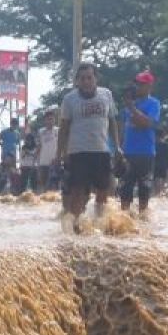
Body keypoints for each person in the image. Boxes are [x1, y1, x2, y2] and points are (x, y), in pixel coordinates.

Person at [56, 62, 120, 232]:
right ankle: (76, 225)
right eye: (82, 78)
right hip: (78, 152)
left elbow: (113, 121)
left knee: (103, 190)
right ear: (77, 81)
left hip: (101, 150)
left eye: (89, 78)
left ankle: (100, 224)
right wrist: (60, 153)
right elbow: (64, 128)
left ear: (95, 79)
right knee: (77, 191)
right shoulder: (69, 99)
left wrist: (118, 147)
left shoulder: (106, 95)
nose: (86, 81)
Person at [118, 70, 161, 216]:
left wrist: (132, 109)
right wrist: (118, 149)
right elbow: (123, 128)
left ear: (150, 86)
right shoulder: (129, 105)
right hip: (128, 152)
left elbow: (148, 123)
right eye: (137, 84)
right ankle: (124, 218)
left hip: (145, 152)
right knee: (125, 188)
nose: (139, 87)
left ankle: (143, 218)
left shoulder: (154, 103)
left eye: (142, 84)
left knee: (144, 187)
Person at [36, 109, 59, 192]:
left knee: (55, 186)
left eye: (52, 119)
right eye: (48, 119)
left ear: (54, 120)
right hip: (43, 162)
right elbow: (39, 147)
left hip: (55, 162)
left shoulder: (58, 130)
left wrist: (60, 158)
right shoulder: (40, 132)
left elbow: (62, 146)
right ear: (45, 120)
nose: (50, 121)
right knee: (43, 184)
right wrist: (37, 162)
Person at [0, 118, 21, 185]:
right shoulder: (4, 131)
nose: (14, 125)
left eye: (16, 124)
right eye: (13, 124)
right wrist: (2, 145)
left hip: (13, 154)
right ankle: (5, 182)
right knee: (6, 168)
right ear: (11, 124)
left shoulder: (17, 133)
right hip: (5, 153)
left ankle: (12, 183)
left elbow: (18, 143)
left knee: (13, 169)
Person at [18, 128, 38, 194]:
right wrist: (25, 152)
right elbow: (22, 157)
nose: (28, 141)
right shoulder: (23, 147)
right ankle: (22, 194)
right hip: (25, 167)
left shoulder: (35, 147)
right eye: (27, 140)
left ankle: (35, 194)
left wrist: (29, 153)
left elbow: (36, 156)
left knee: (34, 183)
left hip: (33, 167)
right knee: (23, 183)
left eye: (30, 140)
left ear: (32, 140)